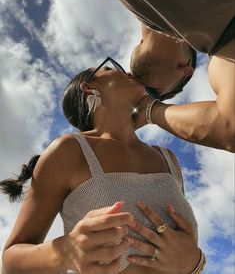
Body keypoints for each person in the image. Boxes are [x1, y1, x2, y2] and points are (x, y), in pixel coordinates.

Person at [1, 57, 206, 274]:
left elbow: (184, 251)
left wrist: (195, 262)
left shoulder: (168, 158)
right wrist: (65, 252)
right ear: (89, 88)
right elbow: (10, 261)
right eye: (111, 68)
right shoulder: (70, 150)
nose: (127, 71)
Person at [96, 0, 235, 152]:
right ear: (185, 69)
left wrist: (152, 110)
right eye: (152, 92)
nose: (139, 86)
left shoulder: (222, 46)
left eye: (150, 94)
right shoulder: (222, 33)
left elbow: (229, 127)